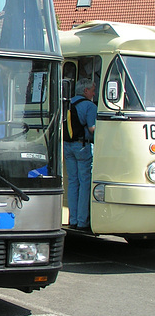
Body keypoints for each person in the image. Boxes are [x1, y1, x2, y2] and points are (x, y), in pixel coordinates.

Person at [64, 78, 97, 230]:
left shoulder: (67, 103)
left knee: (72, 182)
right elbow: (92, 129)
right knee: (84, 183)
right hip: (82, 147)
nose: (94, 93)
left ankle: (73, 219)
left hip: (67, 145)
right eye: (93, 90)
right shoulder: (89, 106)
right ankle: (83, 221)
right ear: (86, 91)